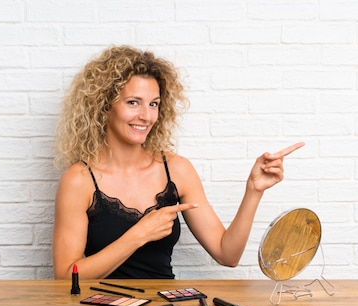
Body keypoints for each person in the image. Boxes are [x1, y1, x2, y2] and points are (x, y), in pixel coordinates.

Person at [52, 45, 304, 280]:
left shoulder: (177, 170)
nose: (146, 116)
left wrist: (253, 191)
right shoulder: (79, 180)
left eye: (153, 104)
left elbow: (227, 255)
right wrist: (138, 235)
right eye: (133, 102)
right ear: (104, 106)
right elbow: (65, 275)